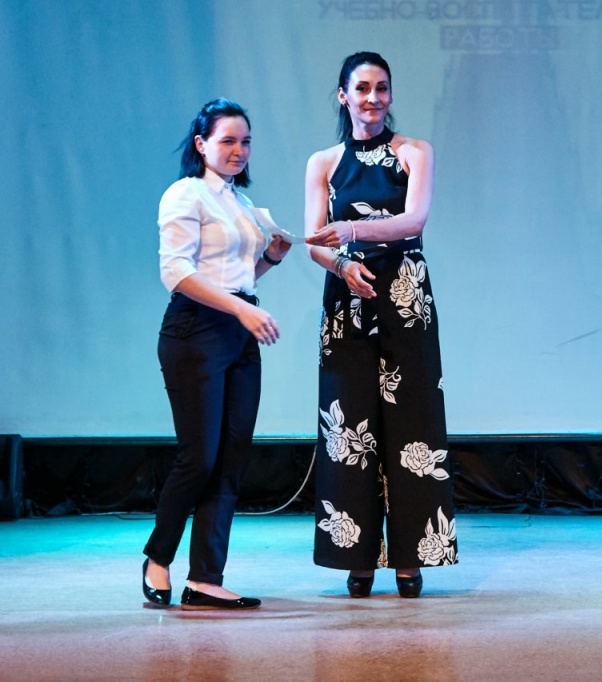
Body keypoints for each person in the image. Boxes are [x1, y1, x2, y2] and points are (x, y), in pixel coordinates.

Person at [304, 52, 457, 598]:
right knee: (350, 427)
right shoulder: (324, 162)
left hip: (404, 295)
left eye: (382, 88)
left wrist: (350, 231)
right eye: (363, 88)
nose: (373, 98)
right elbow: (313, 242)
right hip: (348, 298)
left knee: (412, 421)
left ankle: (411, 557)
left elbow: (414, 221)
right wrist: (342, 265)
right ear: (343, 96)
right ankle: (358, 556)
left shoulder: (414, 151)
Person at [142, 98, 291, 610]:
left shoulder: (241, 203)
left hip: (238, 331)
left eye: (245, 141)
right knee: (199, 457)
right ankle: (158, 557)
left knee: (231, 459)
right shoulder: (186, 193)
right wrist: (241, 309)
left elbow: (239, 276)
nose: (238, 150)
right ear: (201, 144)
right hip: (195, 330)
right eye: (228, 140)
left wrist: (270, 258)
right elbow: (177, 273)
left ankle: (205, 578)